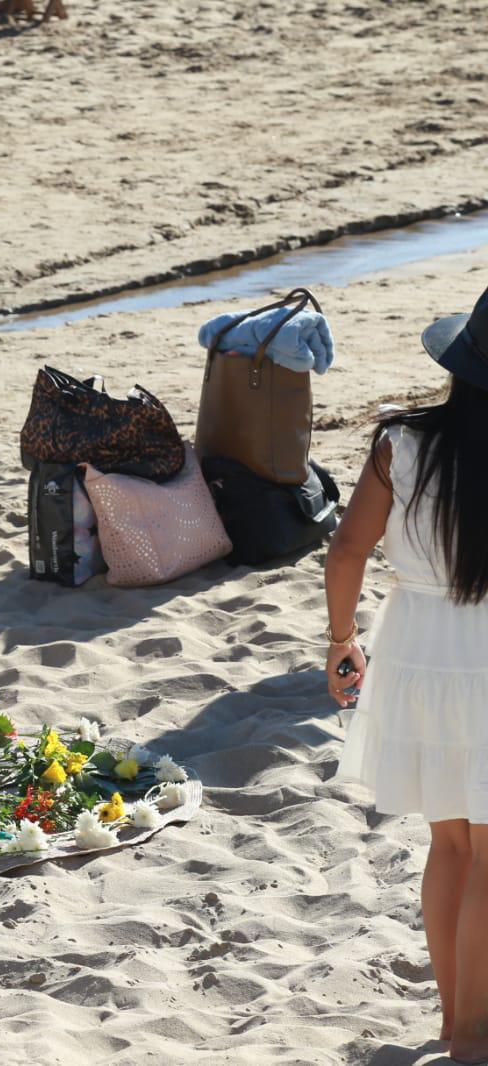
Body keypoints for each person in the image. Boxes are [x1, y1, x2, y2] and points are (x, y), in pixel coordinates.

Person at [327, 288, 488, 1063]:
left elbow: (346, 551)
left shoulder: (401, 442)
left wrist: (340, 640)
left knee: (450, 844)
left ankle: (456, 1023)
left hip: (419, 651)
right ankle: (474, 1037)